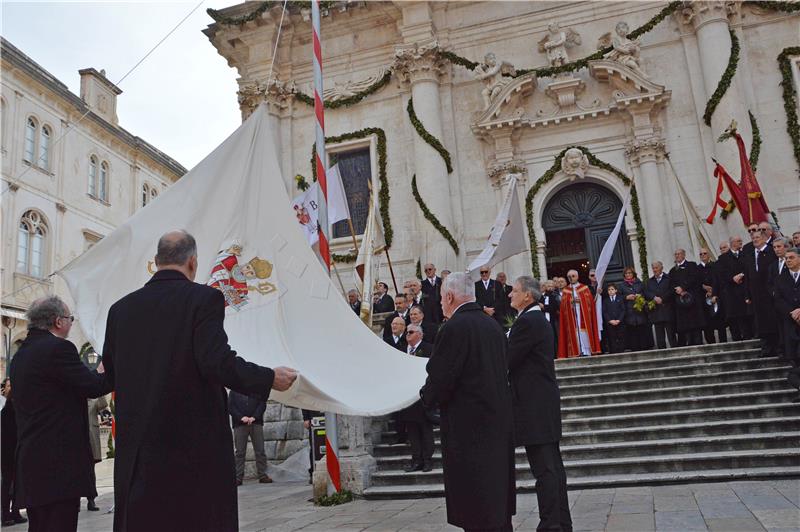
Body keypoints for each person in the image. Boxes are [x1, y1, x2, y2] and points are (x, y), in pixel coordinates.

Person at [100, 230, 297, 532]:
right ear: (192, 263)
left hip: (138, 455)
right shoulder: (204, 299)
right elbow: (216, 362)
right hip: (190, 451)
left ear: (156, 262)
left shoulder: (120, 310)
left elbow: (109, 376)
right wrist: (269, 377)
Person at [421, 272, 515, 531]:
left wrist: (425, 398)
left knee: (476, 506)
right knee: (497, 502)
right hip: (498, 425)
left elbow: (441, 377)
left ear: (449, 296)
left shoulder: (453, 328)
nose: (441, 304)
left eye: (441, 299)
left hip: (469, 430)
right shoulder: (493, 326)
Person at [9, 296, 112, 532]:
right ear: (58, 321)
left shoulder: (21, 355)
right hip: (58, 466)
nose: (71, 323)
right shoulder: (58, 349)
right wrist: (108, 367)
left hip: (31, 462)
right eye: (70, 318)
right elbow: (95, 386)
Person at [507, 277, 572, 532]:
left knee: (545, 471)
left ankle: (551, 525)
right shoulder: (535, 319)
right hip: (542, 404)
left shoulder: (529, 321)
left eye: (514, 291)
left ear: (527, 296)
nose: (510, 295)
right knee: (553, 468)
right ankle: (561, 522)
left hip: (534, 406)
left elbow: (508, 358)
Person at [399, 324, 435, 473]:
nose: (408, 334)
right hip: (408, 397)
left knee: (426, 430)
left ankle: (427, 460)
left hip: (423, 397)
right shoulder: (401, 351)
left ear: (420, 334)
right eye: (407, 332)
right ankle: (416, 460)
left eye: (411, 332)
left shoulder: (428, 349)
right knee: (412, 432)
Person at [743, 227, 779, 356]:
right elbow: (748, 276)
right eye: (753, 238)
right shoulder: (749, 255)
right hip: (756, 295)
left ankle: (777, 347)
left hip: (769, 293)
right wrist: (747, 294)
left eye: (757, 237)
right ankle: (766, 348)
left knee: (772, 320)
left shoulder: (771, 252)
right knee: (760, 322)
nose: (755, 240)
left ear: (764, 238)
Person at [228, 390, 270, 486]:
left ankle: (263, 476)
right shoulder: (234, 391)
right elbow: (230, 406)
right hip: (240, 424)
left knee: (260, 451)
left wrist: (254, 417)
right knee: (240, 452)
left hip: (256, 423)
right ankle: (238, 477)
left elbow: (262, 404)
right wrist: (241, 417)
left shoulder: (257, 389)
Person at [716, 236, 753, 341]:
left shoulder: (745, 255)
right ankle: (736, 337)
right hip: (731, 292)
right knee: (733, 317)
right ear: (732, 243)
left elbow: (749, 269)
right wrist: (732, 278)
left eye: (741, 240)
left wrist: (742, 275)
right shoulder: (723, 258)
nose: (741, 242)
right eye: (738, 241)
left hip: (744, 290)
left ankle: (748, 335)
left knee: (746, 315)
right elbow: (721, 275)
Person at [557, 269, 601, 358]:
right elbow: (563, 307)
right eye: (569, 277)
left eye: (573, 276)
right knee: (575, 333)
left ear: (577, 277)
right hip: (572, 316)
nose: (571, 278)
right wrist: (570, 302)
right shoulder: (566, 291)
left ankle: (586, 351)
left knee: (584, 333)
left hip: (583, 315)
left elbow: (590, 303)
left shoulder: (584, 288)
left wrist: (582, 300)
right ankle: (576, 351)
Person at [1, 379, 26, 527]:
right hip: (7, 451)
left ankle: (15, 511)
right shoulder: (6, 408)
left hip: (17, 450)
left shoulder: (17, 406)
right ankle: (5, 514)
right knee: (7, 483)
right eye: (9, 385)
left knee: (17, 482)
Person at [669, 249, 706, 346]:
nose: (677, 256)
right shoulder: (672, 271)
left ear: (684, 255)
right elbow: (671, 284)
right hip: (681, 302)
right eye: (676, 254)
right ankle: (688, 343)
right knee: (685, 326)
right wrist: (677, 289)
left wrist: (683, 288)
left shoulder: (692, 265)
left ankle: (698, 343)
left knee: (696, 324)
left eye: (679, 254)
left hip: (693, 301)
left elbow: (694, 278)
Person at [774, 247, 800, 369]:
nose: (788, 260)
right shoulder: (780, 279)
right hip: (790, 321)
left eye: (791, 258)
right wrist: (792, 312)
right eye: (786, 258)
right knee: (794, 357)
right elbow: (778, 300)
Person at [618, 266, 651, 351]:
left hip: (640, 313)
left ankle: (645, 349)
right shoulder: (621, 286)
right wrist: (626, 297)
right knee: (632, 335)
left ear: (633, 274)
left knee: (642, 333)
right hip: (629, 314)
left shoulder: (640, 283)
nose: (628, 275)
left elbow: (646, 295)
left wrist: (640, 296)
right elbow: (618, 298)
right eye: (626, 273)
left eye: (629, 273)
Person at [698, 248, 727, 344]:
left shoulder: (716, 266)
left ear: (709, 254)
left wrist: (714, 292)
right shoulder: (697, 269)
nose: (703, 255)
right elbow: (696, 283)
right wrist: (703, 287)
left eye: (705, 253)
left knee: (720, 323)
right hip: (704, 300)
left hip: (717, 298)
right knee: (707, 324)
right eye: (701, 254)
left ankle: (723, 343)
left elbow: (719, 281)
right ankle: (711, 344)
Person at [645, 261, 675, 349]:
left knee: (671, 335)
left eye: (656, 268)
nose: (654, 270)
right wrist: (654, 297)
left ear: (661, 268)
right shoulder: (650, 282)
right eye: (653, 268)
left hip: (667, 310)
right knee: (660, 338)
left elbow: (671, 291)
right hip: (656, 313)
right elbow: (646, 292)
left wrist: (662, 298)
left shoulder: (668, 279)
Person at [86, 395, 109, 511]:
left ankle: (91, 500)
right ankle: (76, 501)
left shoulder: (94, 401)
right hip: (78, 441)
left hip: (91, 441)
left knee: (90, 470)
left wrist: (98, 390)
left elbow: (104, 404)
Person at [602, 284, 626, 354]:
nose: (610, 291)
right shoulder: (605, 301)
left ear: (616, 290)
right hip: (610, 323)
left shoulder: (620, 299)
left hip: (619, 322)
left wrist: (619, 320)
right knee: (612, 337)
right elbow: (604, 312)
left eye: (612, 289)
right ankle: (613, 351)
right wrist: (610, 320)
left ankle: (621, 350)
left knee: (621, 336)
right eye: (609, 290)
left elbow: (623, 310)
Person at [541, 280, 560, 354]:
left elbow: (554, 308)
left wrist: (544, 307)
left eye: (552, 286)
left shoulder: (555, 296)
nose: (550, 288)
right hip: (544, 321)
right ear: (545, 287)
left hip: (553, 320)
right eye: (549, 286)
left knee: (554, 337)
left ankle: (556, 353)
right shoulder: (542, 297)